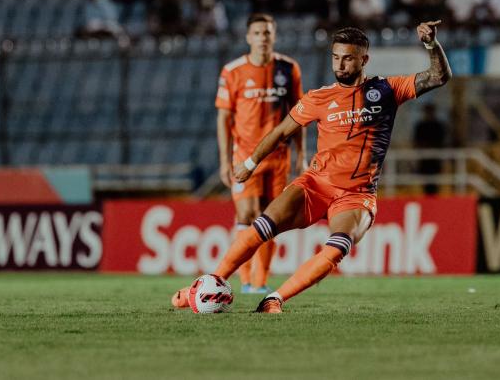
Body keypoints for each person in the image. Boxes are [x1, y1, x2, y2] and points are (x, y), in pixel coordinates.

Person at [174, 20, 451, 313]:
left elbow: (438, 76)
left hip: (356, 195)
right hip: (315, 185)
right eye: (335, 57)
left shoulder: (387, 90)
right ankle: (209, 282)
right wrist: (250, 163)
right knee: (261, 225)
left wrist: (431, 45)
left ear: (363, 59)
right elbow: (281, 131)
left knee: (336, 248)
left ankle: (273, 299)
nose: (340, 64)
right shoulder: (319, 97)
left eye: (347, 57)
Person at [172, 13, 305, 306]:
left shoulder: (288, 68)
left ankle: (259, 282)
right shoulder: (232, 71)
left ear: (274, 35)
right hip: (245, 157)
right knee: (246, 214)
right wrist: (223, 160)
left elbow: (299, 114)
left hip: (279, 156)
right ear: (248, 37)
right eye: (257, 33)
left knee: (272, 218)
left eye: (267, 32)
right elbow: (224, 118)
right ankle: (245, 280)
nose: (263, 38)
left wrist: (301, 155)